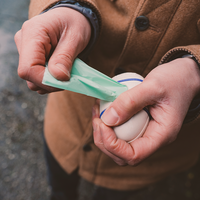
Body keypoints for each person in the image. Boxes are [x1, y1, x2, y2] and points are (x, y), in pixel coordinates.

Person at [15, 0, 200, 199]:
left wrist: (194, 71)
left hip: (153, 160)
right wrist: (67, 8)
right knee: (59, 184)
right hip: (67, 121)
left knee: (114, 193)